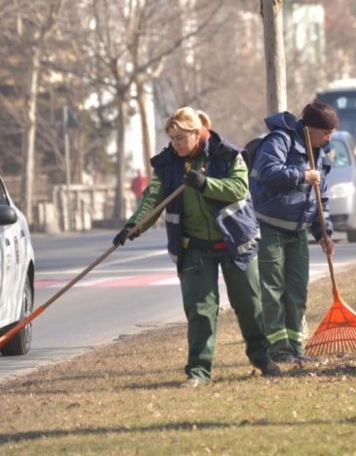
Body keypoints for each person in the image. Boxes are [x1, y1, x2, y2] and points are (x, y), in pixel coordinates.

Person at [113, 107, 279, 387]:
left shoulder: (228, 154)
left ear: (197, 133)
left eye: (181, 137)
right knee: (200, 310)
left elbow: (239, 188)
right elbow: (152, 199)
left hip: (236, 242)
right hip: (194, 248)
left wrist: (205, 184)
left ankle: (262, 359)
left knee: (249, 304)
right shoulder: (166, 164)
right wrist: (133, 227)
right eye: (172, 138)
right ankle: (198, 372)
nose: (175, 144)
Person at [249, 101, 337, 363]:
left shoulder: (320, 151)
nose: (329, 138)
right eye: (326, 132)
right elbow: (266, 171)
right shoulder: (279, 141)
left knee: (297, 291)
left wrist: (324, 233)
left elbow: (320, 198)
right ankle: (278, 351)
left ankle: (296, 350)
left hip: (298, 231)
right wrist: (302, 175)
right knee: (273, 291)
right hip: (269, 228)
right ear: (310, 129)